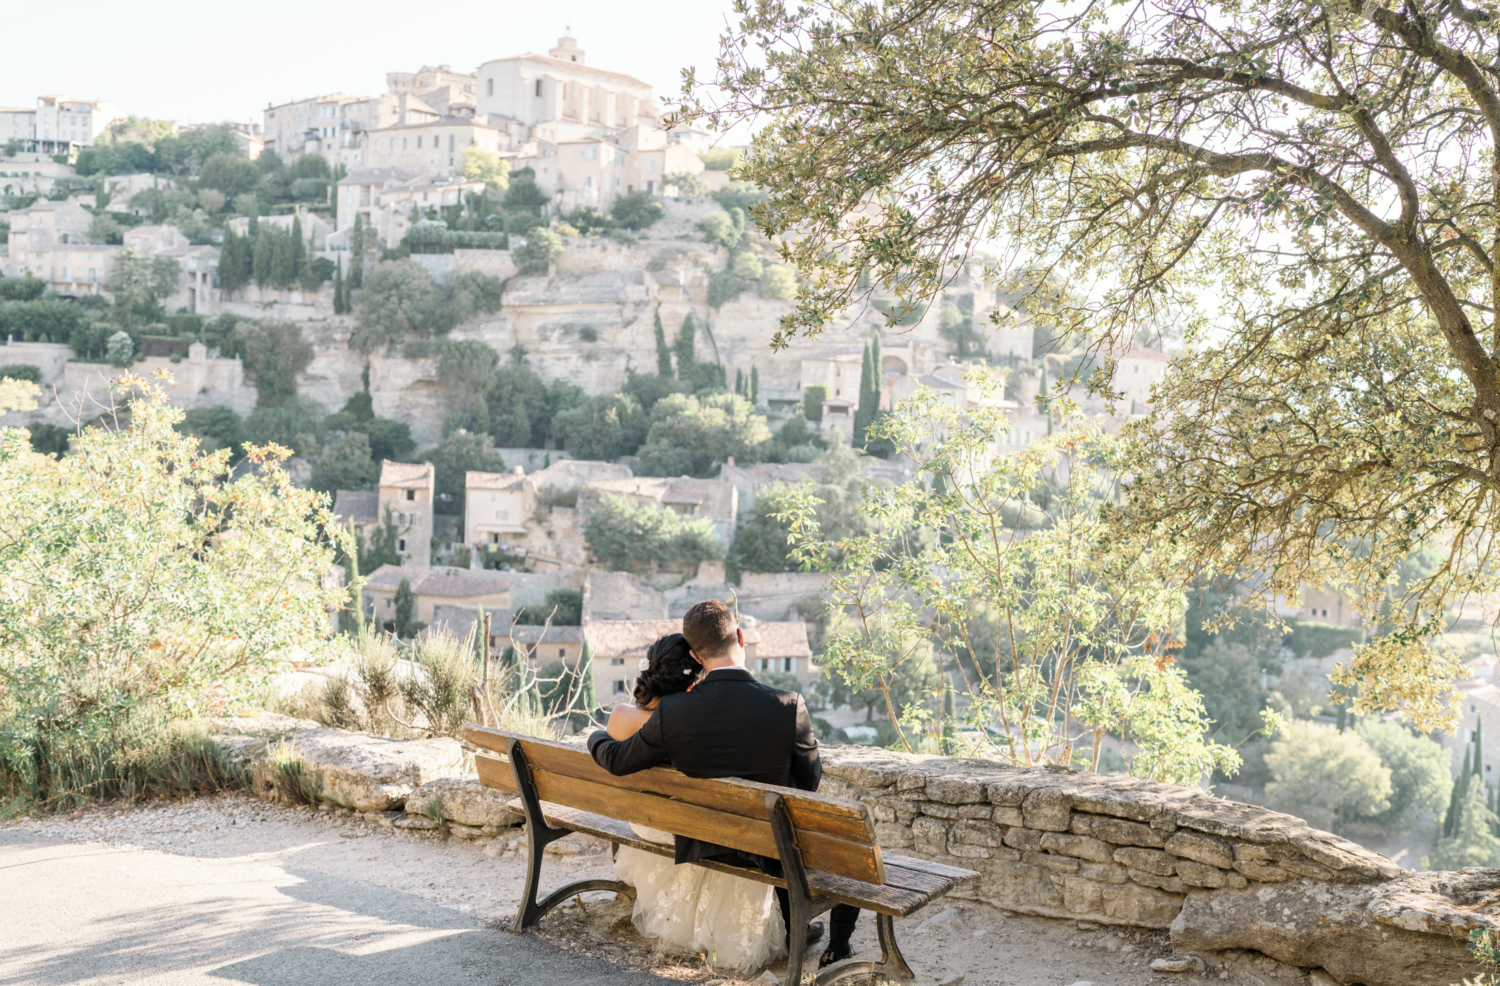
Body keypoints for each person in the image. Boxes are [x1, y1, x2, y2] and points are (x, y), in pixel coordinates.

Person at [589, 600, 859, 970]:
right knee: (845, 856)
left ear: (697, 657)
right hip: (767, 846)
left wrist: (593, 738)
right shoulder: (787, 705)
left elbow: (618, 760)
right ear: (741, 637)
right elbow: (808, 782)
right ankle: (839, 949)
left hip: (701, 839)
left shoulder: (673, 712)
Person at [603, 631, 786, 973]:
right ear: (695, 675)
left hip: (645, 821)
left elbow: (616, 757)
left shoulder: (622, 715)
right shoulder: (679, 722)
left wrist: (596, 738)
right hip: (691, 828)